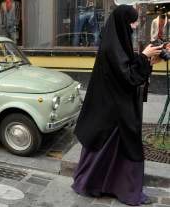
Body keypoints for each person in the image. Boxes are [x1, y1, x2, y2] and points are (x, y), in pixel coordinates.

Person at [72, 5, 162, 206]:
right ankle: (118, 188)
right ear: (122, 23)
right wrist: (144, 57)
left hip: (114, 109)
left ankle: (113, 187)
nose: (135, 26)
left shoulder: (117, 41)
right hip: (113, 112)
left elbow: (128, 70)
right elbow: (127, 76)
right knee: (114, 148)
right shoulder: (112, 46)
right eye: (132, 22)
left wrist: (146, 60)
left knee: (113, 150)